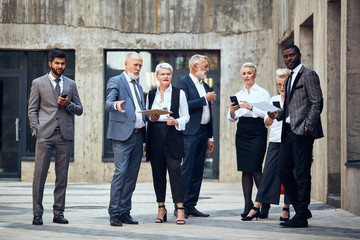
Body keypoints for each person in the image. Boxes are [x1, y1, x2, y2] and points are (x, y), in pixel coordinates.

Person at [268, 44, 323, 228]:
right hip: (288, 131)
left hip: (302, 132)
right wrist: (278, 114)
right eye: (286, 56)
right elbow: (290, 107)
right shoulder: (290, 77)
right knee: (283, 170)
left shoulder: (308, 75)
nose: (289, 58)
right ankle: (302, 208)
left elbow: (317, 102)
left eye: (292, 55)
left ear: (299, 55)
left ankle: (301, 214)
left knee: (301, 173)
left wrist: (308, 125)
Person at [28, 48, 83, 225]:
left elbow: (80, 109)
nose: (60, 66)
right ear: (50, 63)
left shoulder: (71, 84)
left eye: (63, 63)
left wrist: (68, 104)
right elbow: (32, 109)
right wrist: (36, 130)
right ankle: (37, 213)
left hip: (64, 136)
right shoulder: (38, 83)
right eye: (57, 63)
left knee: (62, 177)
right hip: (44, 135)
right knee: (39, 176)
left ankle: (58, 213)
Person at [242, 68, 291, 221]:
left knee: (289, 175)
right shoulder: (273, 99)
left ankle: (286, 208)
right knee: (268, 173)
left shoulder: (294, 100)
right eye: (278, 85)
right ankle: (257, 206)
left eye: (283, 84)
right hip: (275, 140)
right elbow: (267, 123)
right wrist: (270, 117)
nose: (281, 88)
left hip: (290, 141)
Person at [105, 52, 146, 227]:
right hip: (122, 136)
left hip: (138, 135)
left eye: (140, 66)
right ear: (126, 63)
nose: (137, 68)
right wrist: (116, 105)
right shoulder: (116, 81)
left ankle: (124, 211)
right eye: (135, 64)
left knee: (132, 176)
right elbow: (108, 103)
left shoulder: (138, 86)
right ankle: (114, 212)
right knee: (121, 173)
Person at [146, 63, 189, 225]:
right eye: (162, 74)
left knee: (175, 171)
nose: (165, 77)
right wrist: (152, 117)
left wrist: (176, 121)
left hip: (173, 134)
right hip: (155, 135)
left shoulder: (180, 93)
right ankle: (161, 208)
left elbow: (187, 116)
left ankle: (180, 209)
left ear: (172, 76)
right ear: (157, 76)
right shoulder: (150, 94)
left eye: (168, 74)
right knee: (158, 174)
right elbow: (147, 117)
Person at [227, 62, 270, 218]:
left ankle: (264, 203)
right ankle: (247, 203)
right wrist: (232, 111)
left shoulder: (263, 93)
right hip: (242, 132)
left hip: (258, 131)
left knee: (256, 170)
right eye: (244, 73)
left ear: (255, 74)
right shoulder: (238, 94)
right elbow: (231, 118)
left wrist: (251, 107)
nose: (246, 76)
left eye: (249, 73)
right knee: (245, 170)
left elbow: (268, 113)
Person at [176, 54, 216, 217]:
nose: (207, 69)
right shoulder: (183, 83)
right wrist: (204, 99)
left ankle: (191, 205)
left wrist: (210, 137)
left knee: (198, 170)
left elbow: (209, 113)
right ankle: (180, 206)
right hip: (190, 133)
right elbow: (182, 106)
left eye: (207, 66)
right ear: (195, 67)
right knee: (187, 169)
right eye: (205, 66)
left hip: (203, 132)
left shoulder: (205, 85)